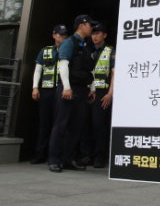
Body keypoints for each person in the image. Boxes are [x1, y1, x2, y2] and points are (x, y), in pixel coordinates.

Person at [47, 14, 97, 173]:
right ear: (81, 25)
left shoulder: (86, 45)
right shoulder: (69, 42)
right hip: (68, 88)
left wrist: (92, 87)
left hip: (82, 90)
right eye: (90, 25)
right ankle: (54, 160)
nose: (91, 28)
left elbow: (90, 69)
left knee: (76, 126)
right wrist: (67, 87)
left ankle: (67, 159)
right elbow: (63, 65)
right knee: (61, 125)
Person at [30, 24, 68, 164]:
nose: (63, 37)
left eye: (64, 34)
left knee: (59, 123)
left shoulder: (68, 50)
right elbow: (38, 70)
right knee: (44, 123)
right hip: (46, 91)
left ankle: (56, 155)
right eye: (60, 34)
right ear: (53, 35)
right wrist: (35, 87)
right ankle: (40, 154)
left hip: (61, 90)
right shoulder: (45, 50)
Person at [87, 22, 116, 169]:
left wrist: (110, 93)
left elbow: (114, 74)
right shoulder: (91, 52)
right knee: (89, 124)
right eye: (93, 33)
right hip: (91, 92)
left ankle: (100, 156)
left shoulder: (110, 51)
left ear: (104, 35)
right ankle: (89, 155)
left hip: (104, 93)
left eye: (98, 33)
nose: (95, 36)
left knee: (100, 125)